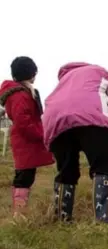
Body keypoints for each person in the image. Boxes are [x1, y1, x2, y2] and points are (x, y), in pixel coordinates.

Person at [42, 62, 108, 223]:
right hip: (92, 119)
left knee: (66, 170)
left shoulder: (62, 82)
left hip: (57, 123)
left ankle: (62, 218)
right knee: (102, 168)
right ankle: (101, 218)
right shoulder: (99, 71)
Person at [0, 57, 54, 218]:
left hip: (26, 140)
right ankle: (19, 213)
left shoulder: (20, 92)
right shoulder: (20, 95)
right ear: (31, 73)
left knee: (26, 175)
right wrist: (40, 134)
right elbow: (22, 120)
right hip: (26, 141)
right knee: (24, 176)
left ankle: (20, 211)